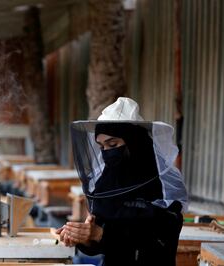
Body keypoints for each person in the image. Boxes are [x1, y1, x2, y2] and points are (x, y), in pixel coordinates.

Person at [56, 97, 188, 266]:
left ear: (135, 142)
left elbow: (160, 236)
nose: (106, 153)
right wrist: (84, 237)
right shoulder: (106, 184)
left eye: (113, 144)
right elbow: (102, 243)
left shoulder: (161, 184)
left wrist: (100, 234)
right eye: (102, 147)